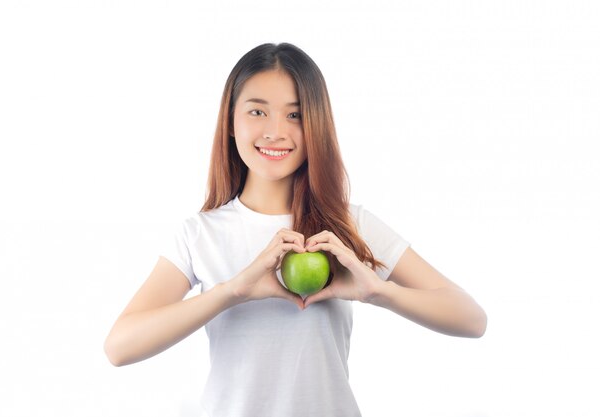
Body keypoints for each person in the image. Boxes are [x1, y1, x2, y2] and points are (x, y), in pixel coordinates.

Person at [104, 42, 487, 417]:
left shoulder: (348, 225)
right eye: (257, 111)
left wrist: (378, 292)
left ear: (316, 126)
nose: (275, 131)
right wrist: (232, 292)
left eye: (295, 115)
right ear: (231, 122)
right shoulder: (200, 233)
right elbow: (119, 347)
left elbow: (471, 319)